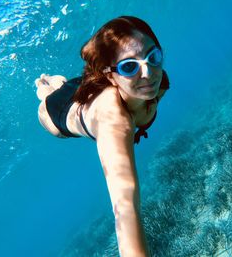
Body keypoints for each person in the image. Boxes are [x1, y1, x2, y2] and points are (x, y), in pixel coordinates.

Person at [35, 16, 170, 257]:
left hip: (90, 88)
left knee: (77, 85)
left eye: (153, 56)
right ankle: (45, 88)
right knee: (50, 95)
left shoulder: (156, 81)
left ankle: (59, 83)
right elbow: (126, 209)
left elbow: (142, 71)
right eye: (130, 66)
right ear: (111, 75)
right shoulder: (115, 124)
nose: (148, 73)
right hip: (57, 113)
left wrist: (132, 68)